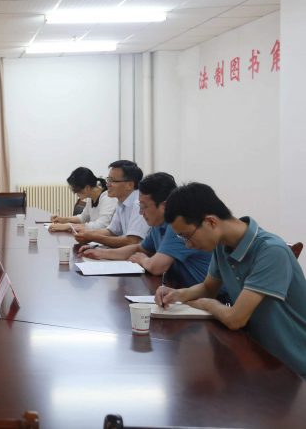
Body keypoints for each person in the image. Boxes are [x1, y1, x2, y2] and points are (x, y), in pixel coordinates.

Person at [156, 182, 306, 377]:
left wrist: (206, 304)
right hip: (256, 355)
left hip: (292, 368)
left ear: (211, 222)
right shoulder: (222, 245)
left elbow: (235, 319)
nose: (188, 245)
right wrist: (176, 295)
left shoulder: (271, 251)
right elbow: (208, 287)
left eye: (187, 236)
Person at [82, 173, 212, 289]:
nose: (140, 212)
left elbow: (156, 267)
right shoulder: (158, 224)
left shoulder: (178, 226)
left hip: (207, 296)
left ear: (164, 206)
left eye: (144, 206)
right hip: (182, 290)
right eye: (140, 205)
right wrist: (102, 253)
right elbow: (140, 248)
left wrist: (143, 260)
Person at [75, 160, 150, 248]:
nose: (107, 184)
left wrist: (94, 237)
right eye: (108, 179)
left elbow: (132, 241)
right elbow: (112, 231)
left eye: (112, 180)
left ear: (129, 185)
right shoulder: (121, 202)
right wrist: (87, 234)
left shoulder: (139, 204)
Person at [49, 167, 117, 232]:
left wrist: (70, 226)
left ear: (87, 188)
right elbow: (83, 218)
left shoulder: (108, 198)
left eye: (76, 190)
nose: (75, 194)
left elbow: (101, 225)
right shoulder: (91, 198)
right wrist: (64, 219)